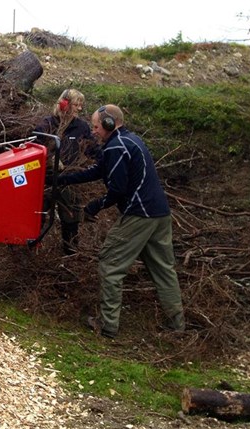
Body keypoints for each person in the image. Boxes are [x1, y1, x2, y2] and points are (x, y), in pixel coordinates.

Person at [57, 104, 185, 339]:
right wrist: (62, 179)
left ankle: (107, 325)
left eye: (96, 126)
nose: (93, 131)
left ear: (108, 124)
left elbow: (117, 189)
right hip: (160, 214)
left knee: (110, 264)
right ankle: (176, 325)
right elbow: (97, 172)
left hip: (140, 215)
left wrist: (94, 206)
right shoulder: (128, 141)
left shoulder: (117, 147)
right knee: (164, 270)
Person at [34, 88, 100, 254]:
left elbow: (92, 149)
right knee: (37, 216)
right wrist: (50, 158)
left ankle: (70, 253)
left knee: (71, 220)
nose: (79, 108)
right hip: (47, 180)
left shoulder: (82, 127)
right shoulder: (46, 125)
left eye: (81, 105)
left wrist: (109, 159)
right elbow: (35, 148)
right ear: (64, 104)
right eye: (77, 104)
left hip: (70, 180)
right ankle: (31, 247)